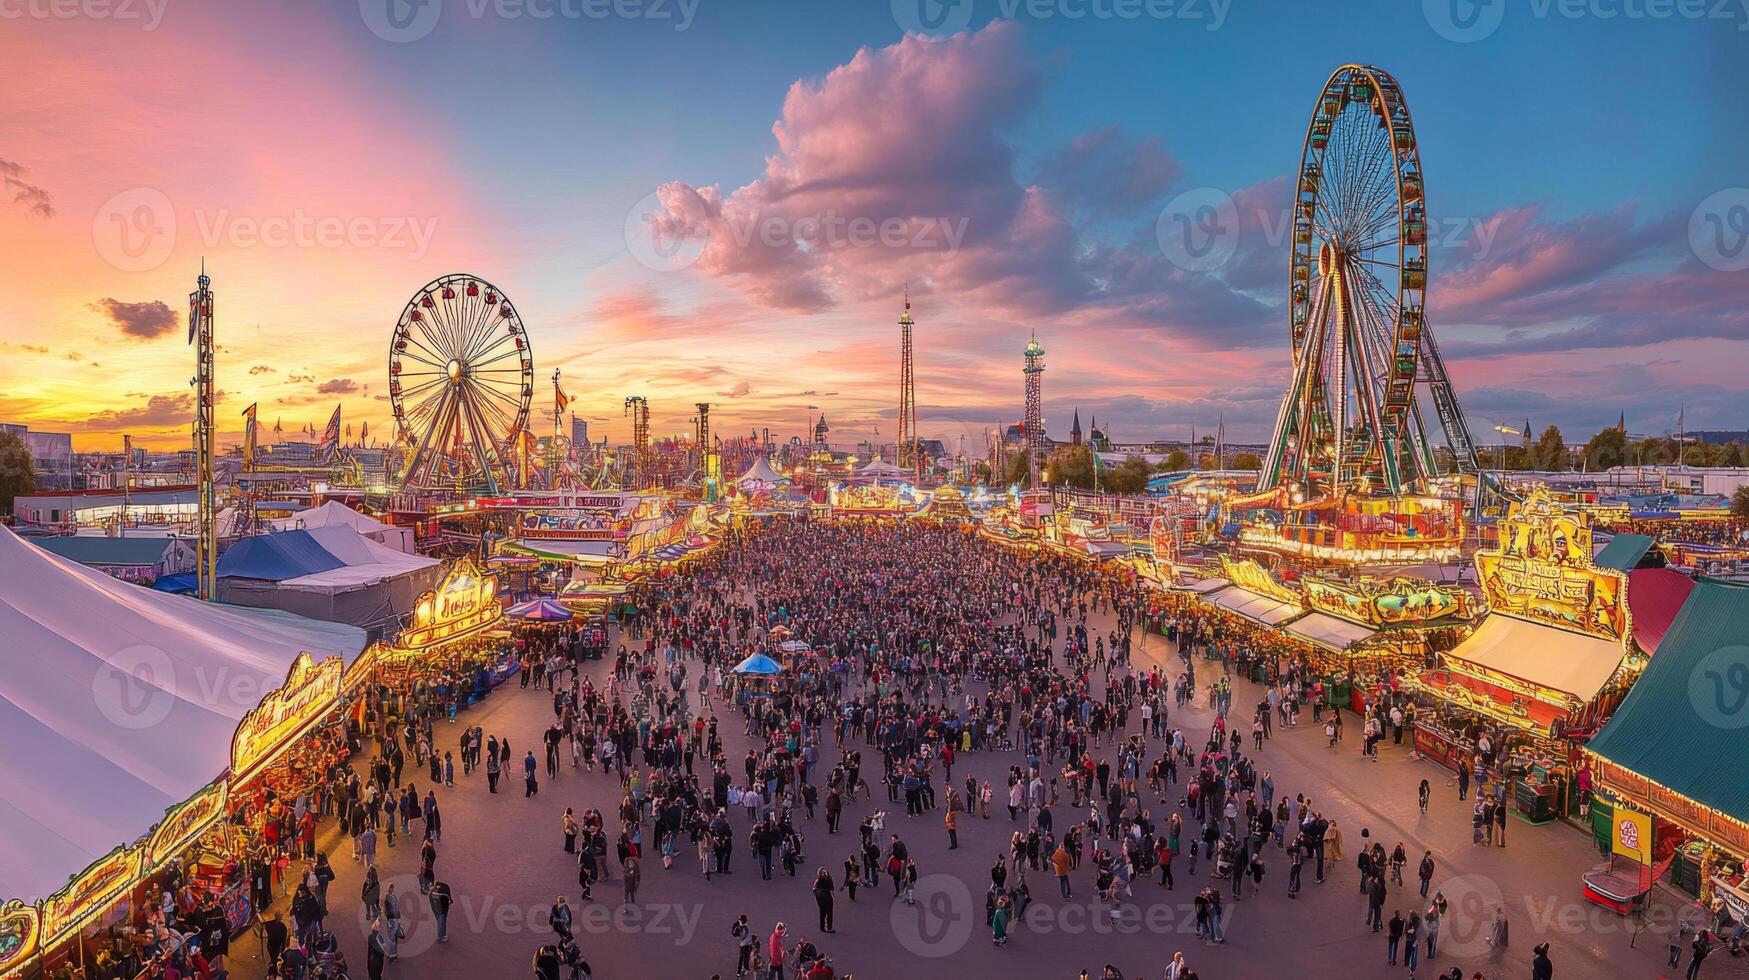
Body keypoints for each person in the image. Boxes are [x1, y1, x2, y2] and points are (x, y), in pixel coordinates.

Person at [429, 879, 452, 944]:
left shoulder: (432, 894)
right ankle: (442, 936)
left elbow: (432, 904)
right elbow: (448, 896)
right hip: (442, 908)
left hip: (439, 908)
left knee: (440, 920)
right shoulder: (444, 888)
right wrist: (450, 900)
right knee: (442, 920)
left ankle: (441, 935)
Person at [813, 867, 835, 933]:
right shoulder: (828, 880)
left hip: (820, 899)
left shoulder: (817, 881)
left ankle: (822, 927)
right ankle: (829, 928)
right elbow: (832, 888)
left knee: (822, 913)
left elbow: (814, 889)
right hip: (827, 898)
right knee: (829, 913)